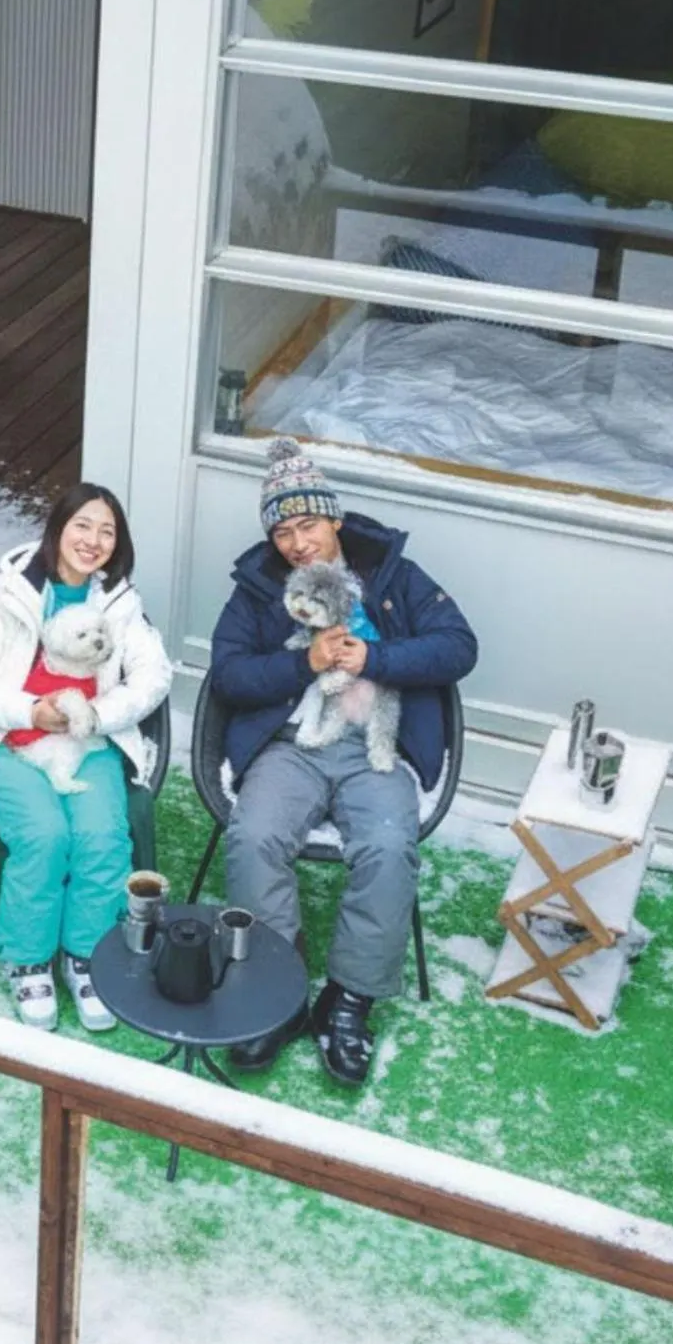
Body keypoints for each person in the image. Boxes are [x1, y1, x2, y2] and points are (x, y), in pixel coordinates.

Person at [212, 439, 477, 1084]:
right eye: (282, 531)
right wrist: (303, 663)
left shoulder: (396, 578)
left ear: (333, 518)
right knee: (252, 836)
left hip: (374, 747)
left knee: (389, 845)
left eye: (307, 524)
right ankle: (277, 989)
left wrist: (375, 659)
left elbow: (458, 648)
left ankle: (349, 999)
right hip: (293, 741)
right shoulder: (256, 591)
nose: (297, 543)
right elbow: (229, 676)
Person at [0, 484, 173, 1032]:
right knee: (44, 835)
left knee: (102, 838)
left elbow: (154, 677)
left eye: (107, 531)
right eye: (82, 525)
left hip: (87, 738)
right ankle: (27, 959)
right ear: (57, 528)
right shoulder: (5, 597)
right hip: (11, 741)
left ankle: (86, 956)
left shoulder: (119, 606)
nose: (92, 540)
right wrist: (29, 711)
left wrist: (98, 715)